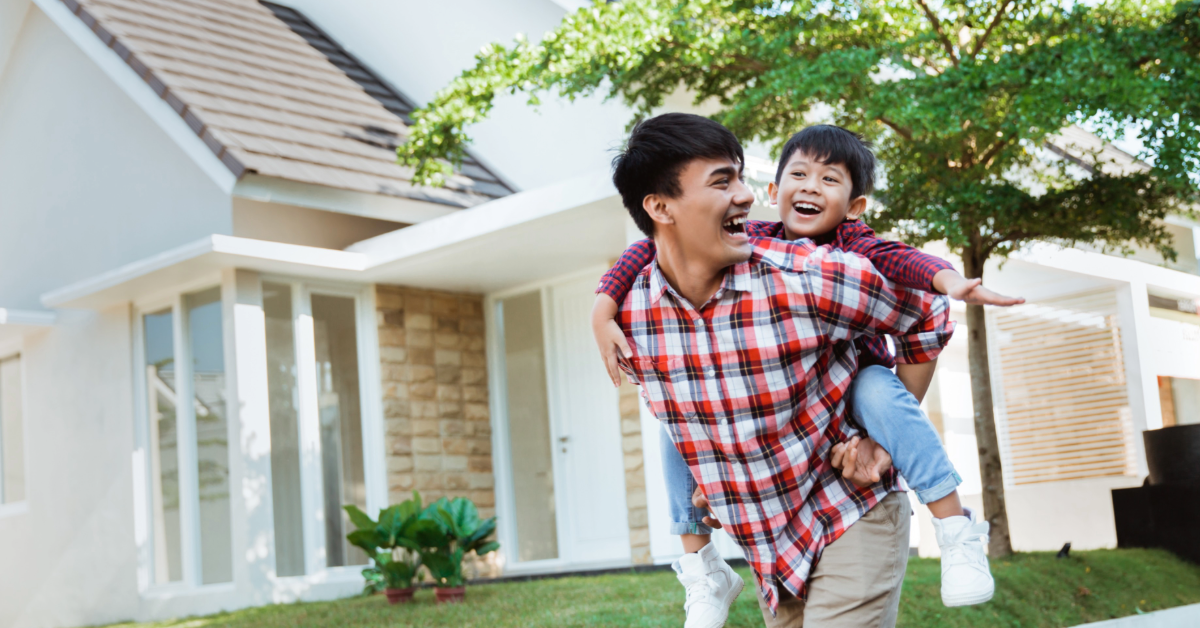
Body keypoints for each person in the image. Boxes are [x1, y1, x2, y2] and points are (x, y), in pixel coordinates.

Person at [593, 124, 1015, 626]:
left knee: (873, 387)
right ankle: (701, 567)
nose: (747, 197)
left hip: (847, 506)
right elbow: (647, 259)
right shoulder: (635, 316)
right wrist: (601, 309)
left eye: (742, 179)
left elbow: (927, 308)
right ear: (660, 208)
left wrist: (885, 440)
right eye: (723, 182)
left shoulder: (809, 274)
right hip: (769, 540)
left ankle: (957, 530)